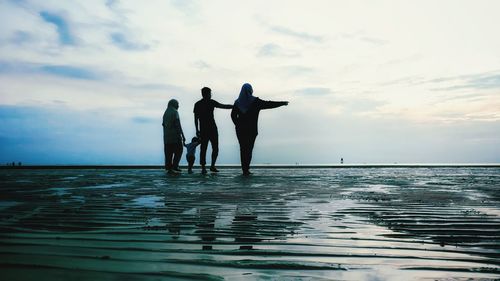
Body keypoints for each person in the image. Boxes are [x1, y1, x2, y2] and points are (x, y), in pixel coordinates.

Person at [231, 83, 288, 175]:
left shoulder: (237, 102)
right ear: (250, 90)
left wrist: (238, 124)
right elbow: (268, 104)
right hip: (251, 130)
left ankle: (244, 169)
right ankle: (246, 169)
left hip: (240, 130)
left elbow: (233, 116)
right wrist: (282, 103)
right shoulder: (255, 101)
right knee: (249, 149)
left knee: (243, 149)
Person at [194, 87, 232, 174]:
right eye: (210, 93)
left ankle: (211, 166)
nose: (211, 95)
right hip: (208, 129)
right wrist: (197, 130)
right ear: (206, 94)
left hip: (208, 129)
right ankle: (206, 167)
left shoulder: (201, 103)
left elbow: (195, 119)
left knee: (210, 148)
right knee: (206, 148)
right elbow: (223, 106)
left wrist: (197, 130)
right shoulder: (200, 104)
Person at [162, 99, 186, 173]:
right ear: (174, 104)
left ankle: (168, 167)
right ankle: (175, 166)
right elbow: (177, 124)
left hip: (166, 137)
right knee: (179, 150)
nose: (178, 106)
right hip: (175, 136)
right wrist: (182, 135)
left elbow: (163, 124)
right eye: (177, 104)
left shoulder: (165, 113)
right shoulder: (175, 112)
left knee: (168, 152)